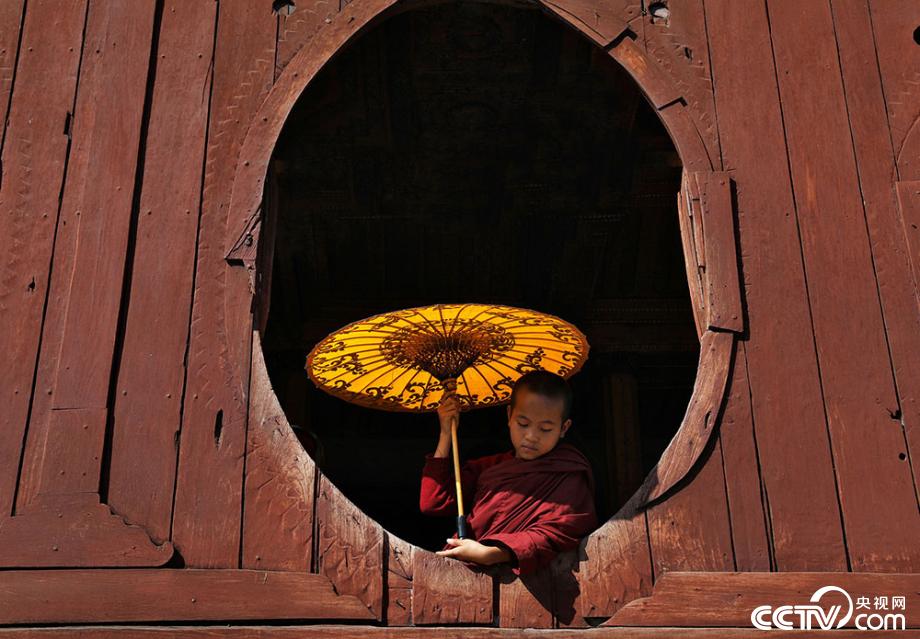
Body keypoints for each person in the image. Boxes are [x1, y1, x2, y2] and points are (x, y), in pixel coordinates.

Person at [419, 370, 597, 575]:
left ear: (564, 428)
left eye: (545, 429)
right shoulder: (491, 467)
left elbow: (560, 531)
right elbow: (433, 502)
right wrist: (445, 433)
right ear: (509, 416)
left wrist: (492, 553)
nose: (531, 436)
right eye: (523, 424)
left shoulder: (567, 472)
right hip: (464, 579)